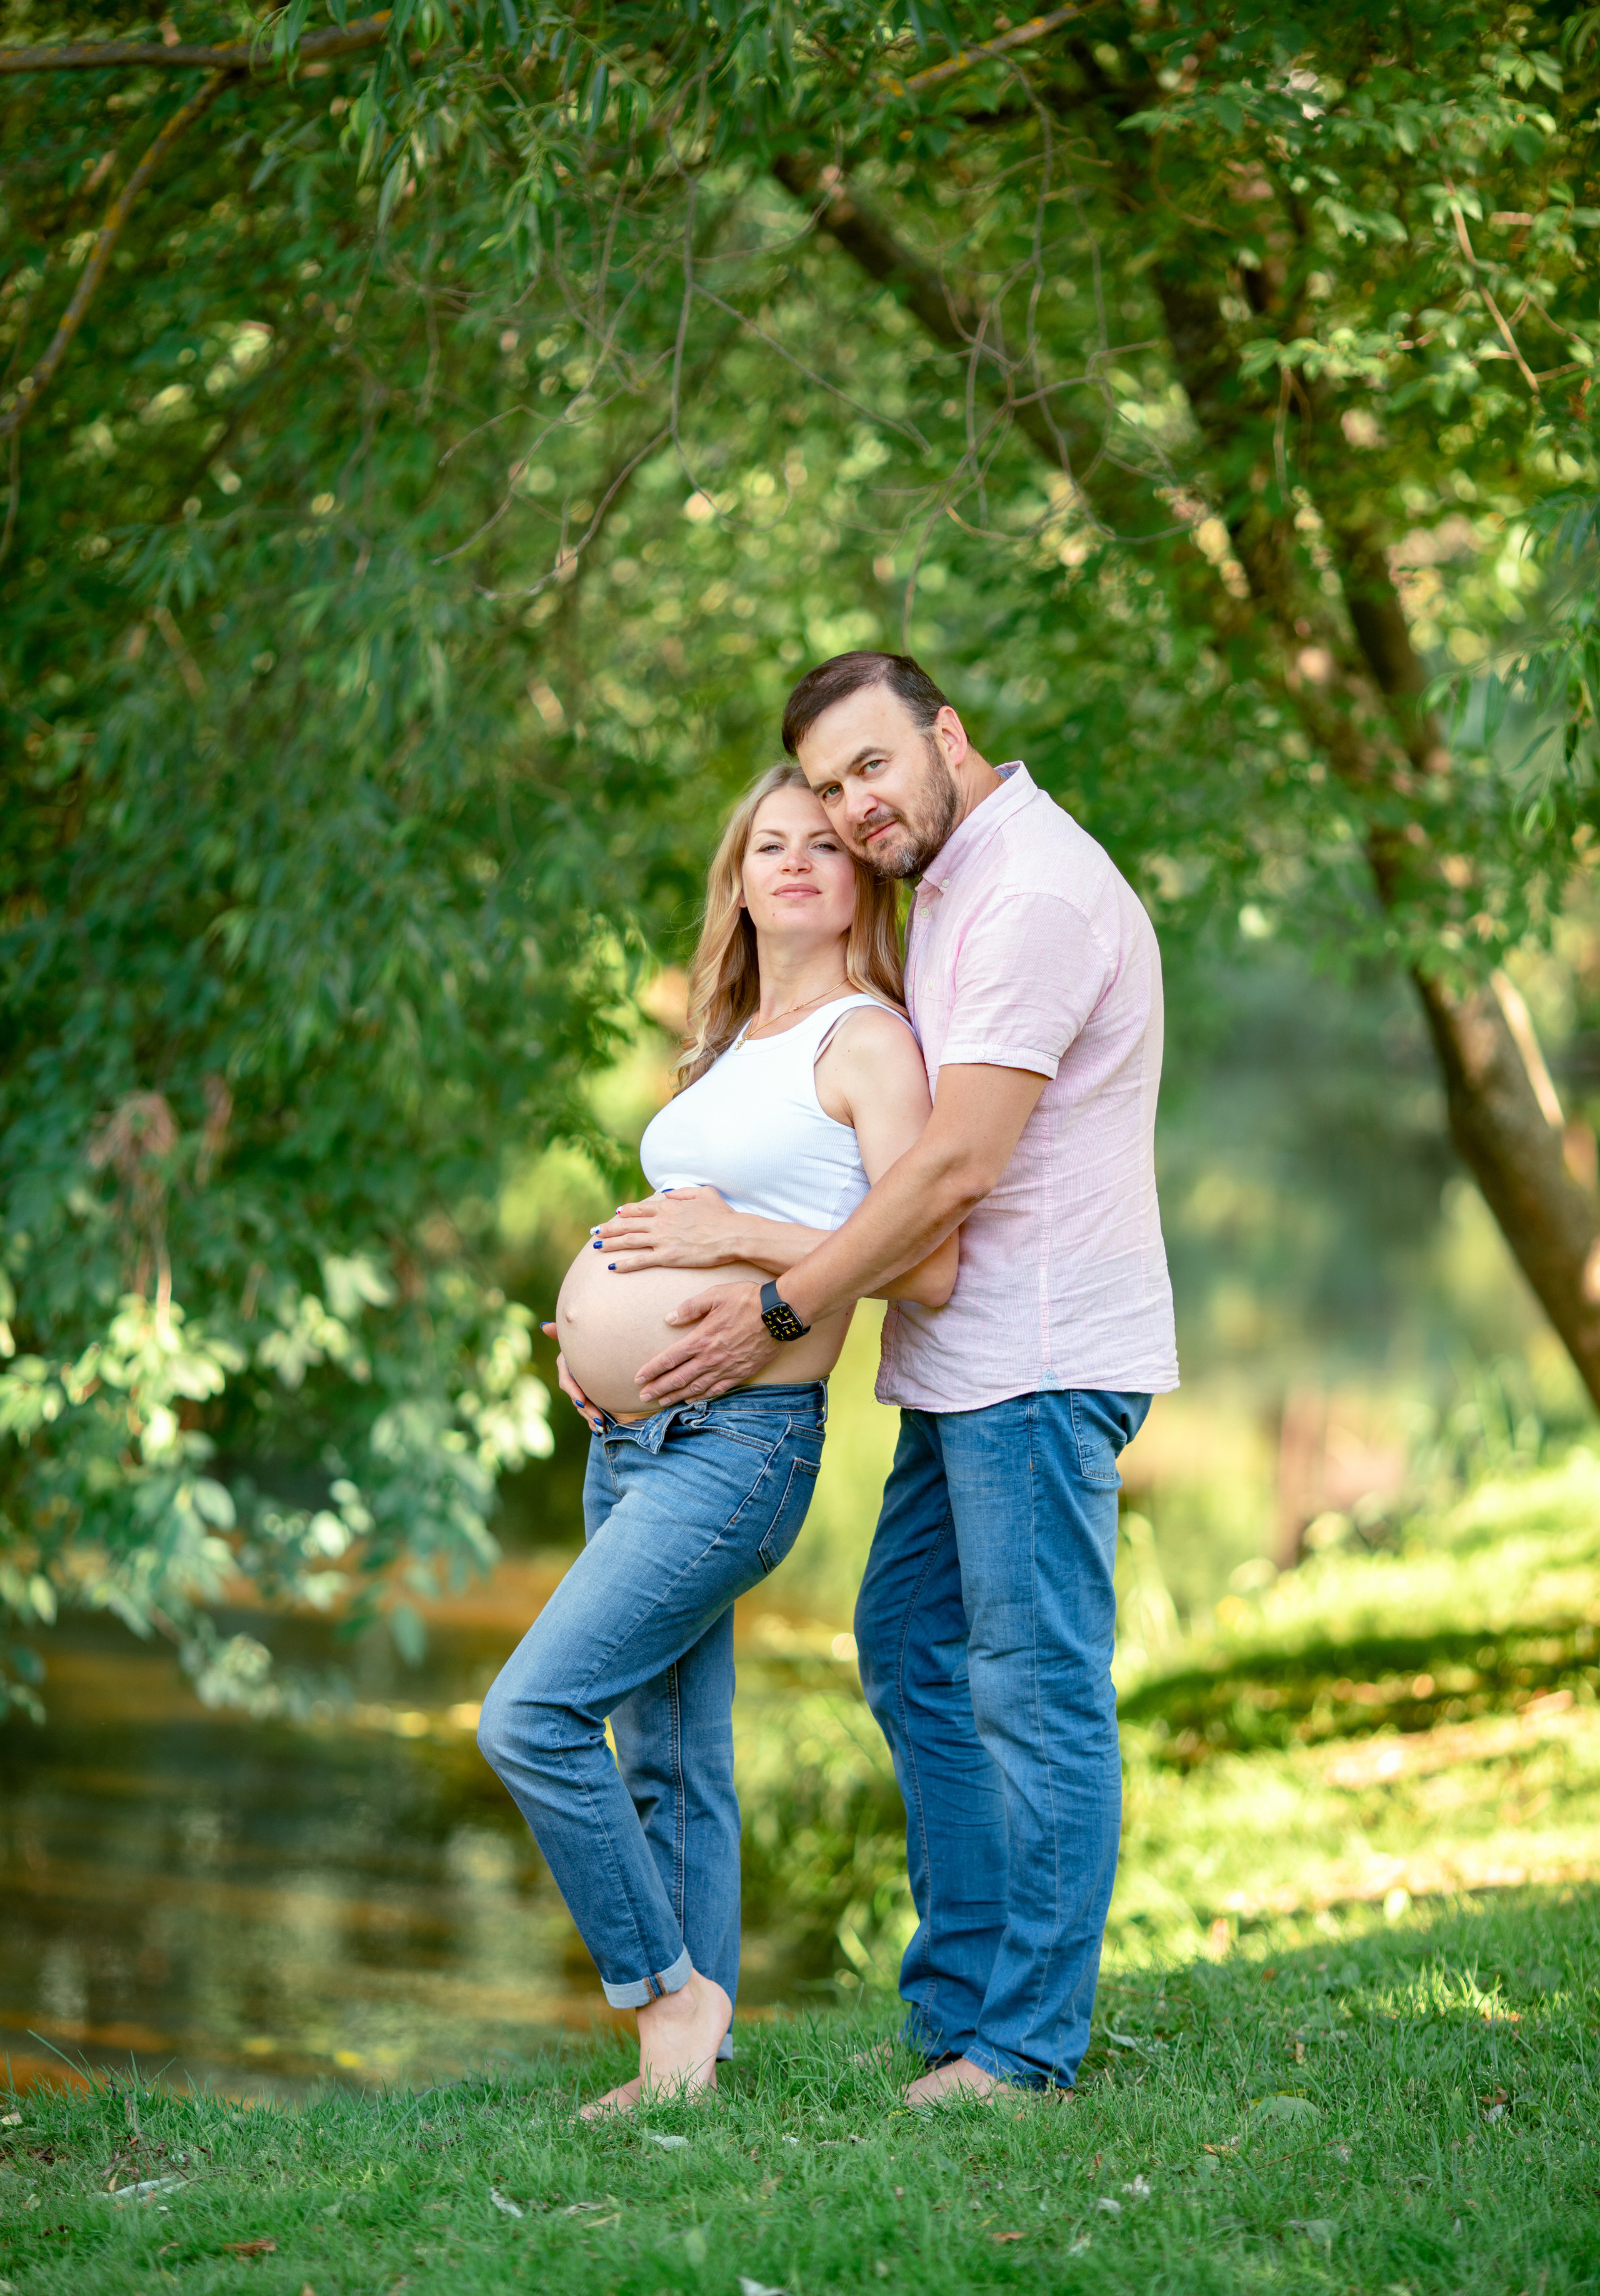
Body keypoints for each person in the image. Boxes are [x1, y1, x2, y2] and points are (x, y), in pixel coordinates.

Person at [632, 652, 1179, 2098]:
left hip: (1038, 1356)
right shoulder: (954, 883)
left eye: (870, 766)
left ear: (946, 733)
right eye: (826, 787)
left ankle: (1023, 2046)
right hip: (969, 1360)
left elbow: (951, 1171)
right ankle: (958, 2004)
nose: (852, 806)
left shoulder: (1031, 895)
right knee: (910, 1645)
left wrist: (778, 1304)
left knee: (1034, 1690)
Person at [476, 760, 956, 2118]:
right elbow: (662, 1235)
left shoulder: (867, 1042)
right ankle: (685, 2068)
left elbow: (921, 1262)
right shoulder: (733, 1041)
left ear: (858, 878)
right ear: (736, 881)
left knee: (530, 1718)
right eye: (768, 844)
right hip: (632, 1438)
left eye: (824, 843)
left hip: (742, 1443)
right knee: (670, 1759)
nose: (795, 860)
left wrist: (737, 1238)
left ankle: (667, 1994)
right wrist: (592, 1347)